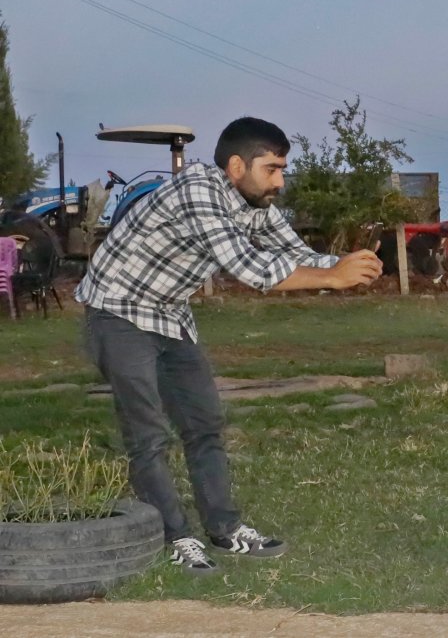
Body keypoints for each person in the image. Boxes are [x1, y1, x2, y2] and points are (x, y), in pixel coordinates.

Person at [76, 117, 383, 575]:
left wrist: (342, 266)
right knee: (149, 435)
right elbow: (251, 269)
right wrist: (331, 278)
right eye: (272, 169)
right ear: (236, 165)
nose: (280, 180)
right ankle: (175, 536)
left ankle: (224, 530)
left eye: (282, 169)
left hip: (168, 313)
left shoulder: (253, 202)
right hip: (117, 312)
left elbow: (291, 252)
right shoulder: (198, 191)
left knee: (204, 423)